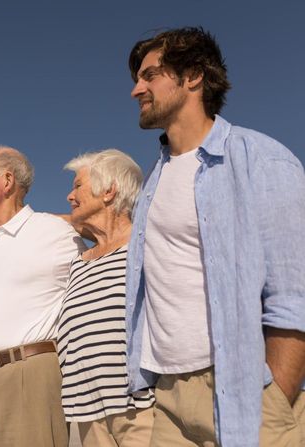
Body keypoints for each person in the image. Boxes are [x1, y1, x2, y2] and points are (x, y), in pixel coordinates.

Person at [125, 27, 305, 446]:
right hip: (167, 397)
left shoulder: (261, 160)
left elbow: (293, 295)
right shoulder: (153, 181)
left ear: (192, 76)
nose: (136, 89)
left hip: (244, 390)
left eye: (150, 75)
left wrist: (276, 392)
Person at [0, 145, 84, 447]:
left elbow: (113, 232)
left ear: (7, 181)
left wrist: (75, 222)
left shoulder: (55, 230)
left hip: (30, 375)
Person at [58, 149, 154, 446]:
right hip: (85, 412)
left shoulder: (145, 246)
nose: (69, 196)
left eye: (77, 186)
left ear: (109, 191)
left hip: (138, 408)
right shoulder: (80, 260)